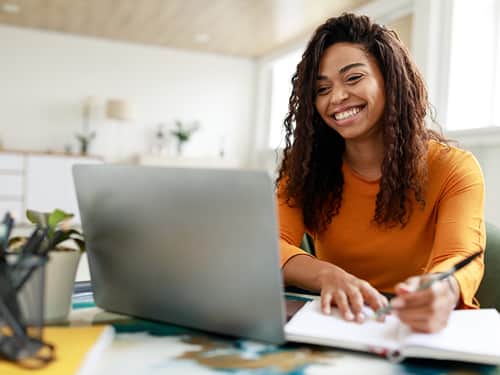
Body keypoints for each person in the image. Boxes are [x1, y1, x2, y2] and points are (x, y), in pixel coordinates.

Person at [276, 13, 485, 333]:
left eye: (353, 78)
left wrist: (442, 290)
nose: (337, 97)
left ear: (390, 79)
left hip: (418, 332)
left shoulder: (453, 168)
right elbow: (270, 243)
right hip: (336, 325)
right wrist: (327, 275)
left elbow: (460, 256)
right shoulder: (305, 169)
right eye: (322, 88)